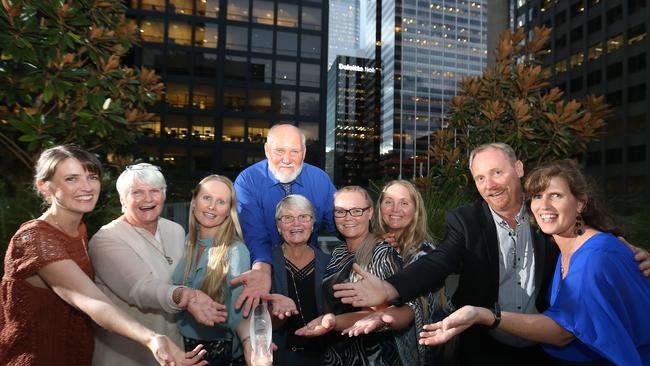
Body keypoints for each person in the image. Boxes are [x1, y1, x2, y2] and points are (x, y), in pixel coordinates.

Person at [332, 143, 650, 365]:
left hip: (546, 349)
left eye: (497, 173)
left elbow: (595, 245)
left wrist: (634, 255)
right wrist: (390, 288)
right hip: (485, 346)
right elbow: (439, 262)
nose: (490, 184)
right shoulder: (466, 220)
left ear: (518, 169)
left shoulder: (547, 216)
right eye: (480, 178)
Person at [420, 159, 650, 365]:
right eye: (537, 196)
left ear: (580, 203)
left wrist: (484, 315)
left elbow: (562, 332)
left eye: (556, 195)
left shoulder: (596, 257)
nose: (544, 206)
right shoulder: (565, 247)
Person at [0, 145, 205, 366]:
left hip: (75, 354)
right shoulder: (35, 239)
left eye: (91, 177)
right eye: (71, 179)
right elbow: (92, 301)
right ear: (44, 187)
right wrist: (152, 338)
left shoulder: (78, 230)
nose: (86, 187)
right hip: (38, 356)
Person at [89, 163, 227, 366]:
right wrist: (185, 296)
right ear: (122, 199)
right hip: (126, 356)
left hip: (173, 354)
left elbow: (189, 278)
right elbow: (141, 289)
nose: (148, 199)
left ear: (164, 194)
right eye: (137, 192)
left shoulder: (175, 231)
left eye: (155, 191)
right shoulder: (106, 239)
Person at [295, 186, 412, 366]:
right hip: (335, 354)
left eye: (356, 211)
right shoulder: (339, 251)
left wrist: (334, 322)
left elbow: (382, 315)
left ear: (370, 212)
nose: (348, 217)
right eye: (340, 212)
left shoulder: (382, 253)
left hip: (372, 357)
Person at [343, 180, 454, 365]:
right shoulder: (371, 244)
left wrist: (381, 313)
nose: (395, 209)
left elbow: (416, 307)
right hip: (366, 349)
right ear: (379, 207)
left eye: (404, 203)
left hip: (410, 354)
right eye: (389, 201)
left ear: (416, 210)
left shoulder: (426, 254)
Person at [233, 124, 336, 315]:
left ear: (304, 153)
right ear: (266, 150)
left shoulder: (320, 180)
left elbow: (340, 223)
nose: (287, 159)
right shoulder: (247, 181)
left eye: (294, 151)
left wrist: (373, 239)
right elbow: (255, 234)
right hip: (264, 273)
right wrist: (263, 269)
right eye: (279, 151)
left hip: (310, 272)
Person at [173, 175, 253, 366]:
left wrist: (250, 345)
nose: (212, 206)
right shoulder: (182, 241)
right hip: (178, 347)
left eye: (221, 202)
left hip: (218, 353)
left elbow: (241, 316)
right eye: (207, 197)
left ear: (228, 211)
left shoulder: (236, 251)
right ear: (194, 202)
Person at [270, 194, 331, 365]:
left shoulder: (329, 263)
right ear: (278, 226)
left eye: (303, 217)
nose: (296, 224)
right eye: (288, 218)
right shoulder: (265, 264)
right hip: (278, 356)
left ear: (313, 224)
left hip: (322, 358)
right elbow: (255, 318)